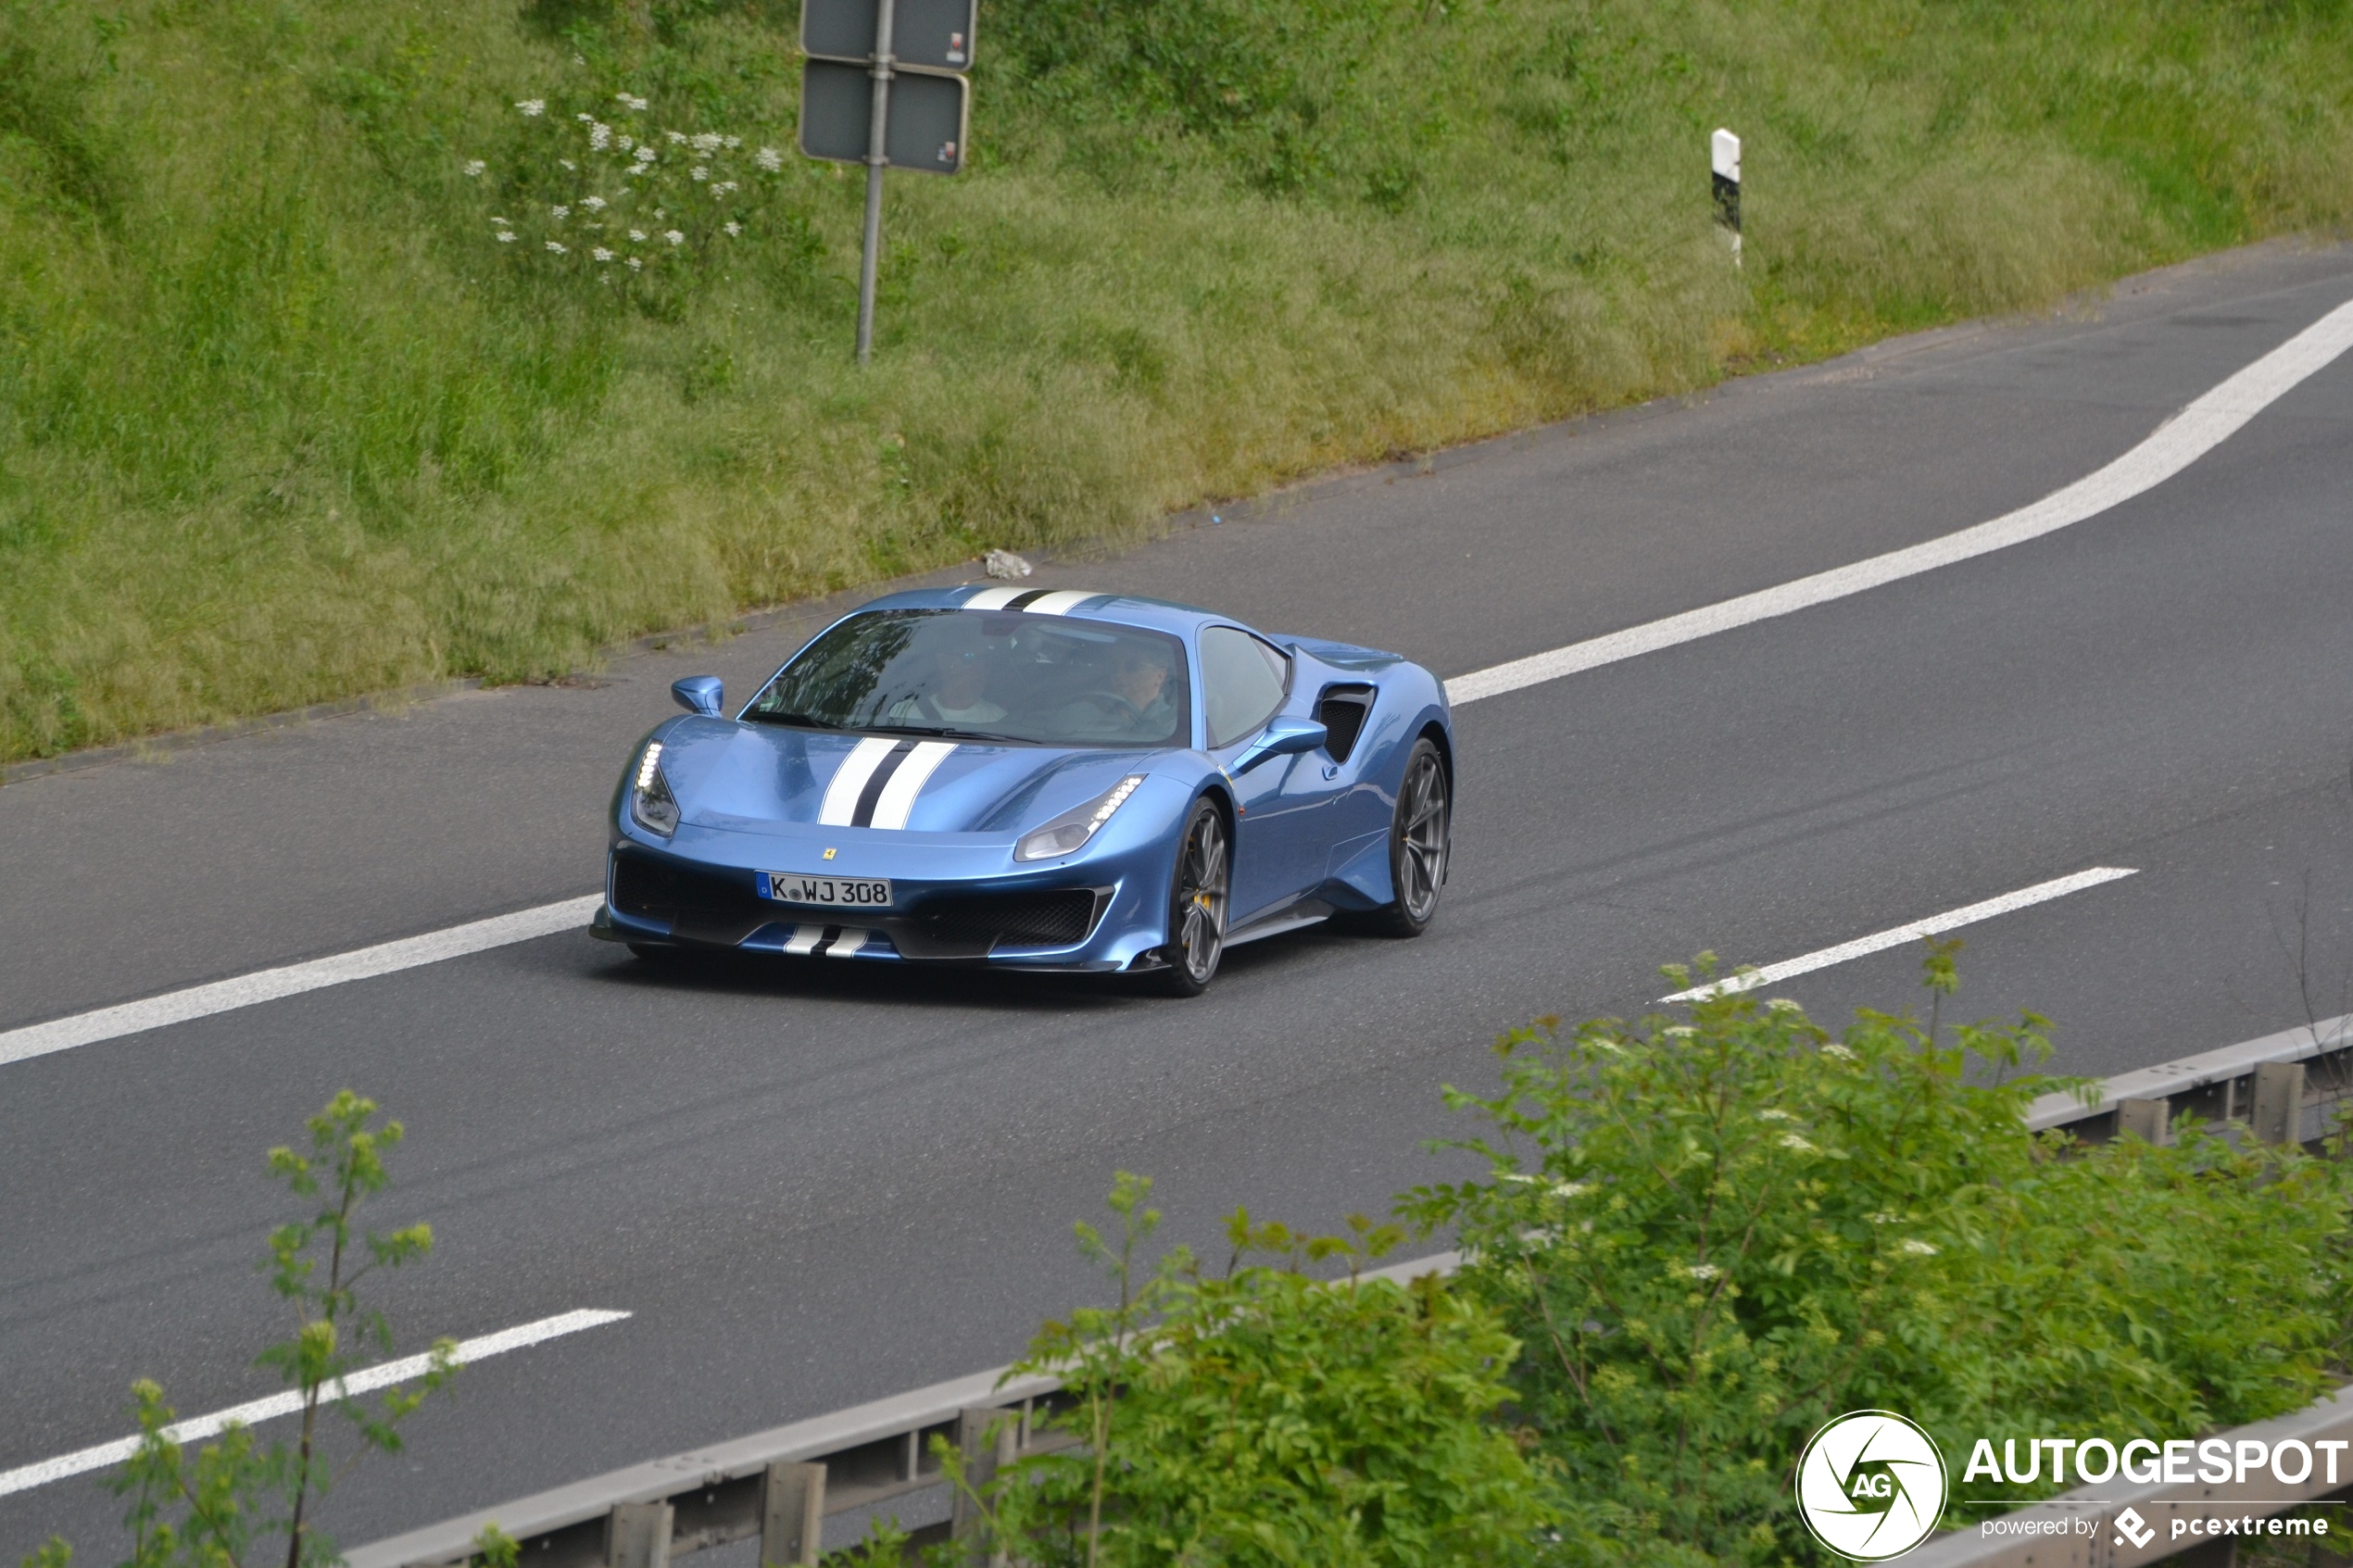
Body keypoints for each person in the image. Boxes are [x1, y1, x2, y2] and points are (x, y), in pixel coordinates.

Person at [885, 624, 1007, 728]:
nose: (981, 668)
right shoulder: (903, 713)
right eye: (971, 658)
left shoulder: (999, 721)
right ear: (944, 662)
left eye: (986, 661)